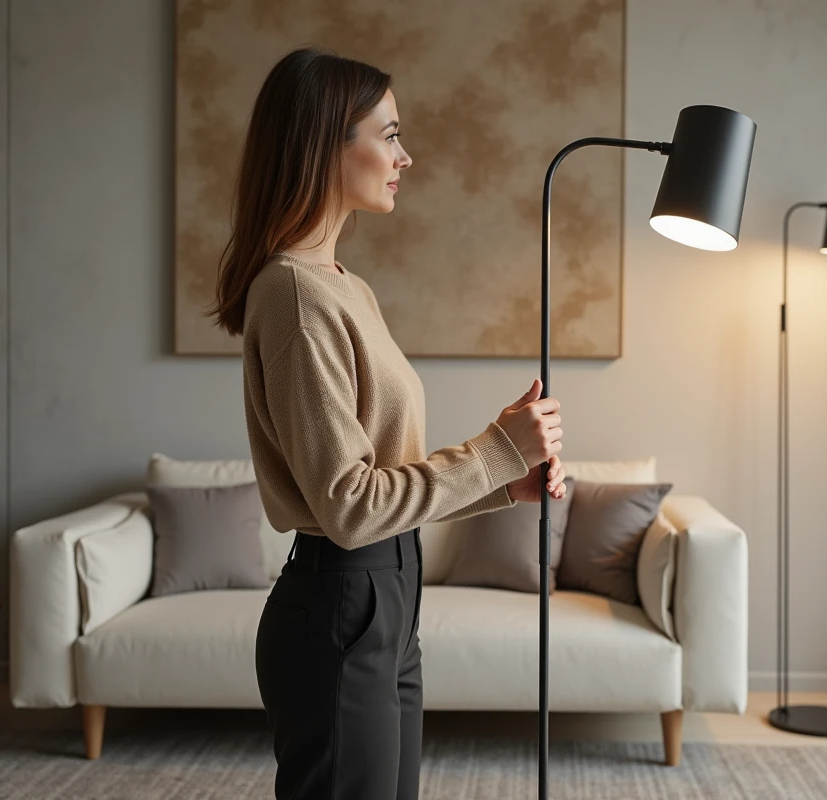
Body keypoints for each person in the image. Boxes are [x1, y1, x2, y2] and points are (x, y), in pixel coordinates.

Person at [205, 47, 568, 800]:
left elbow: (384, 490)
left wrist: (506, 482)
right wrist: (496, 449)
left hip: (388, 600)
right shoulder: (295, 297)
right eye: (390, 134)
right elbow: (347, 506)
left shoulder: (346, 290)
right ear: (325, 144)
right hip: (343, 605)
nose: (407, 155)